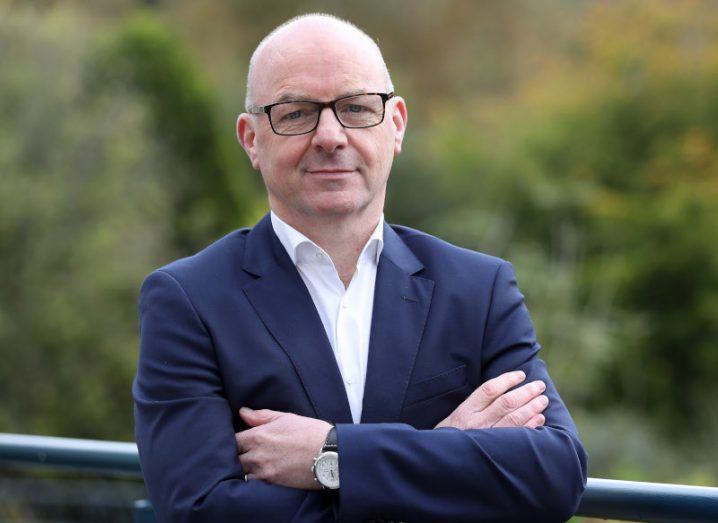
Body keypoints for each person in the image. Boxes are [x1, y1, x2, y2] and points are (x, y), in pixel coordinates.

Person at [133, 13, 588, 523]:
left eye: (355, 107)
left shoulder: (478, 289)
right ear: (251, 139)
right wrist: (443, 454)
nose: (331, 136)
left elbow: (554, 474)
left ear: (395, 126)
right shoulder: (188, 300)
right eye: (297, 112)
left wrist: (333, 456)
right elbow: (202, 511)